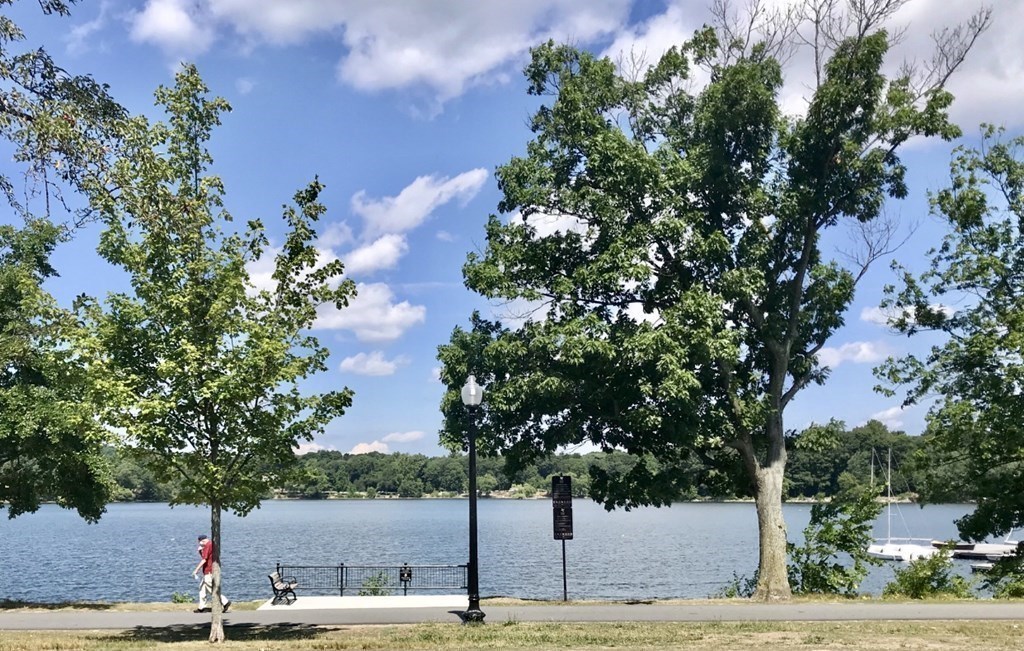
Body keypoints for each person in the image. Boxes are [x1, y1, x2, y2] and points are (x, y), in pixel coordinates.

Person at [191, 534, 231, 613]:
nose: (199, 544)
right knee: (202, 588)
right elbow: (205, 556)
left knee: (211, 589)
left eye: (199, 542)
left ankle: (225, 601)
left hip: (208, 571)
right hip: (208, 570)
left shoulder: (207, 546)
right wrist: (200, 551)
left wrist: (196, 570)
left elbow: (204, 559)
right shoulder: (211, 544)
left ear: (202, 541)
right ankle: (202, 607)